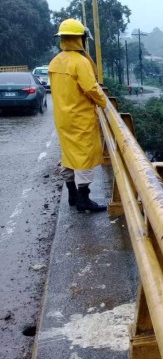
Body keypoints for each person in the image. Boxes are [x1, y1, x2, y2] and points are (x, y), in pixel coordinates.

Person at [49, 18, 108, 213]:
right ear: (81, 38)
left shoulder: (55, 61)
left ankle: (72, 194)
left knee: (68, 155)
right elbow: (91, 88)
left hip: (63, 119)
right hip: (80, 118)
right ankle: (84, 198)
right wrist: (104, 103)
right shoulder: (80, 62)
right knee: (84, 157)